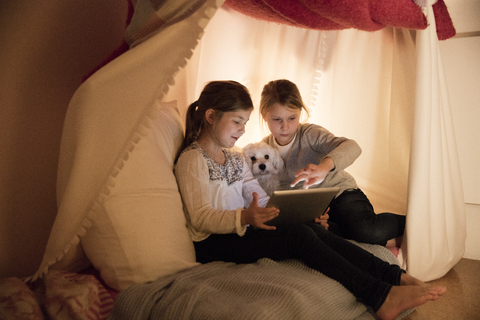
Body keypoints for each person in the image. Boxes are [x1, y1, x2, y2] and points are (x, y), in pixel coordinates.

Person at [174, 80, 445, 320]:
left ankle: (394, 277)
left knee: (310, 228)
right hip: (212, 243)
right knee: (300, 238)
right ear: (211, 116)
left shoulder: (235, 156)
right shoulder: (192, 159)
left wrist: (288, 213)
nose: (242, 130)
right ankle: (380, 297)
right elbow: (200, 217)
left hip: (245, 228)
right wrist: (244, 217)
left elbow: (254, 190)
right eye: (237, 122)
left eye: (245, 123)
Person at [259, 79, 406, 247]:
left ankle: (411, 223)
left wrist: (325, 166)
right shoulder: (263, 151)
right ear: (264, 115)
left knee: (367, 230)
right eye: (277, 119)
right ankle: (384, 241)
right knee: (316, 236)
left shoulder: (310, 134)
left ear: (300, 112)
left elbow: (352, 147)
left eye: (292, 118)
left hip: (340, 193)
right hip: (311, 210)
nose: (285, 126)